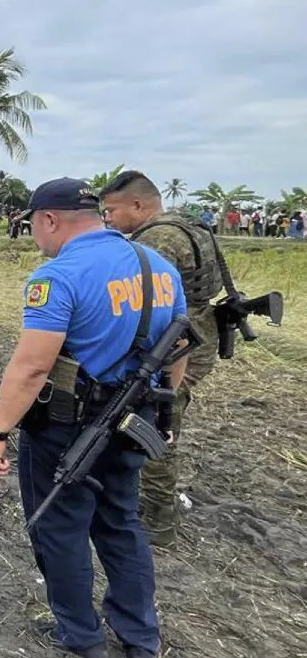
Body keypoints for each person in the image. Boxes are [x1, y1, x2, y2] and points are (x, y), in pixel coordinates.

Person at [0, 178, 187, 658]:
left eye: (32, 225)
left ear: (49, 219)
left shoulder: (57, 276)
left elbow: (31, 367)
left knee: (59, 527)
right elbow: (179, 346)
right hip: (135, 422)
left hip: (64, 427)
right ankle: (141, 636)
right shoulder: (158, 267)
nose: (34, 236)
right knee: (121, 523)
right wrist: (164, 405)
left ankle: (81, 636)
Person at [100, 171, 225, 547]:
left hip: (173, 348)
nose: (107, 219)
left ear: (138, 205)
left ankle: (156, 519)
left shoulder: (157, 240)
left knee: (156, 425)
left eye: (112, 211)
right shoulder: (191, 227)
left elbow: (142, 302)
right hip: (194, 337)